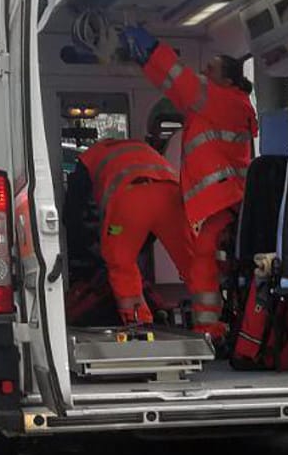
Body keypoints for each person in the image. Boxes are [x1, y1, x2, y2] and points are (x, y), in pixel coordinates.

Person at [121, 26, 259, 339]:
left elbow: (178, 77)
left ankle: (209, 328)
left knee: (203, 268)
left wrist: (152, 47)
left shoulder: (219, 99)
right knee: (205, 267)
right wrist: (145, 63)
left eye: (210, 70)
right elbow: (174, 86)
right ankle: (212, 326)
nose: (203, 73)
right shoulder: (221, 102)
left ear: (227, 79)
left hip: (219, 200)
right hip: (221, 200)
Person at [63, 138, 212, 329]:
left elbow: (75, 210)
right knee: (193, 263)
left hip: (130, 199)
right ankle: (212, 326)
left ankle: (138, 321)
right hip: (172, 195)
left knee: (121, 264)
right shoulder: (140, 147)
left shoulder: (89, 157)